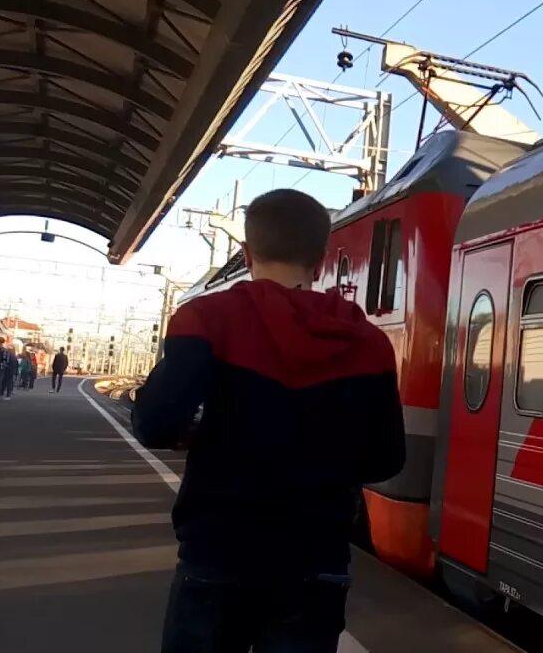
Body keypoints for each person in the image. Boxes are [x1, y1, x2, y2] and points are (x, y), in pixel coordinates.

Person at [132, 189, 406, 653]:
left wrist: (200, 433)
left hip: (219, 550)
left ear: (247, 253)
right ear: (320, 259)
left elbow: (155, 424)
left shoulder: (205, 319)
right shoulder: (369, 343)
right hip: (315, 559)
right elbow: (386, 458)